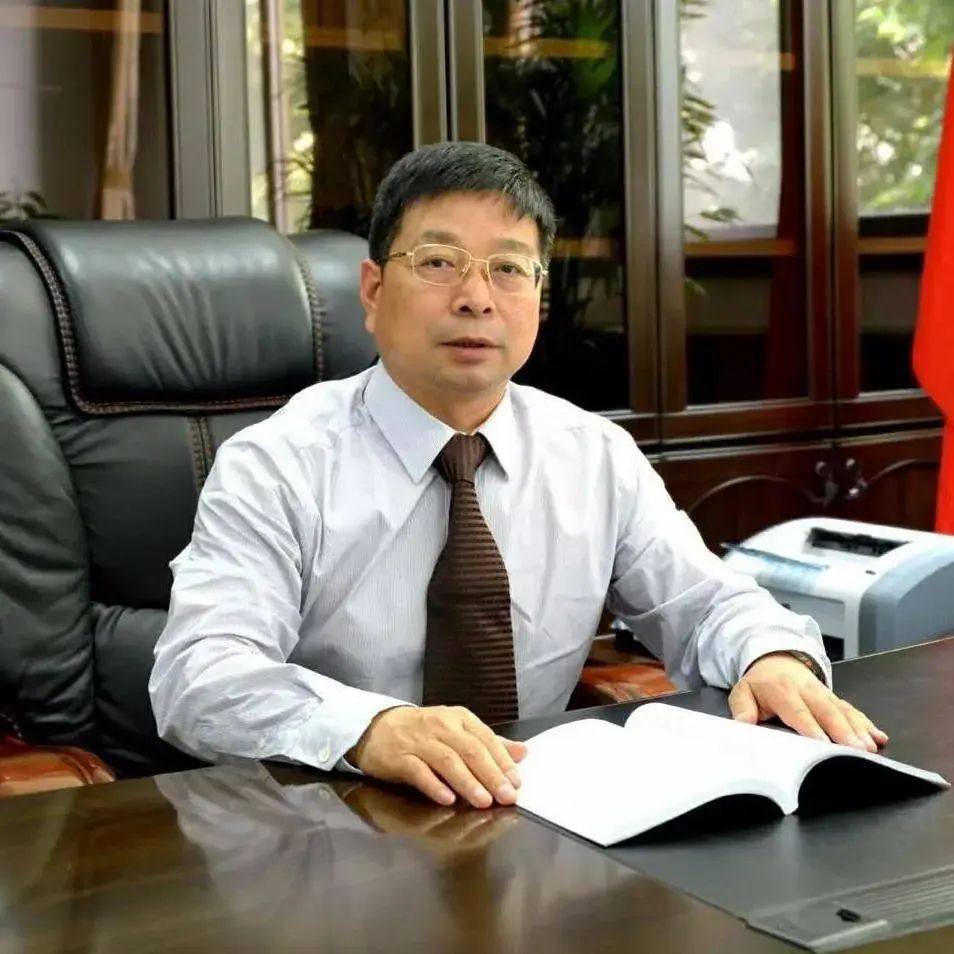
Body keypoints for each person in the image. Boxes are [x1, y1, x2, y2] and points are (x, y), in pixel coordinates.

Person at [149, 141, 887, 811]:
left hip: (545, 818)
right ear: (372, 291)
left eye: (507, 269)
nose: (476, 297)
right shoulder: (277, 463)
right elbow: (199, 677)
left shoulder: (594, 454)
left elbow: (707, 604)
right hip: (332, 826)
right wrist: (370, 727)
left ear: (538, 296)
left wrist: (772, 656)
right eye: (439, 262)